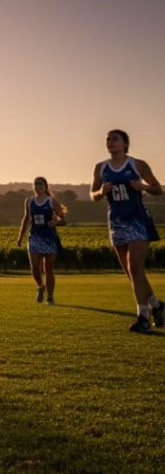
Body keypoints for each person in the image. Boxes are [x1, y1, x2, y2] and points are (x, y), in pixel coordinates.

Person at [90, 129, 163, 333]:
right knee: (132, 273)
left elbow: (158, 189)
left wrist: (143, 187)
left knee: (135, 268)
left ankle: (143, 317)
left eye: (115, 139)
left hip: (137, 220)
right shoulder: (100, 167)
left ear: (125, 144)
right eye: (108, 139)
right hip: (116, 222)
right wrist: (100, 192)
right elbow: (93, 195)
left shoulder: (138, 164)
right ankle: (157, 305)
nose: (110, 142)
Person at [16, 177, 66, 305]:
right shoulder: (29, 201)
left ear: (45, 186)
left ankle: (50, 297)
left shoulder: (51, 201)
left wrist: (55, 222)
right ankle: (40, 286)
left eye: (41, 184)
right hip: (34, 238)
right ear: (33, 187)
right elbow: (26, 219)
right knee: (34, 268)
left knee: (48, 269)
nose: (38, 186)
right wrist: (20, 237)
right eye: (36, 184)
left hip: (50, 239)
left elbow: (63, 219)